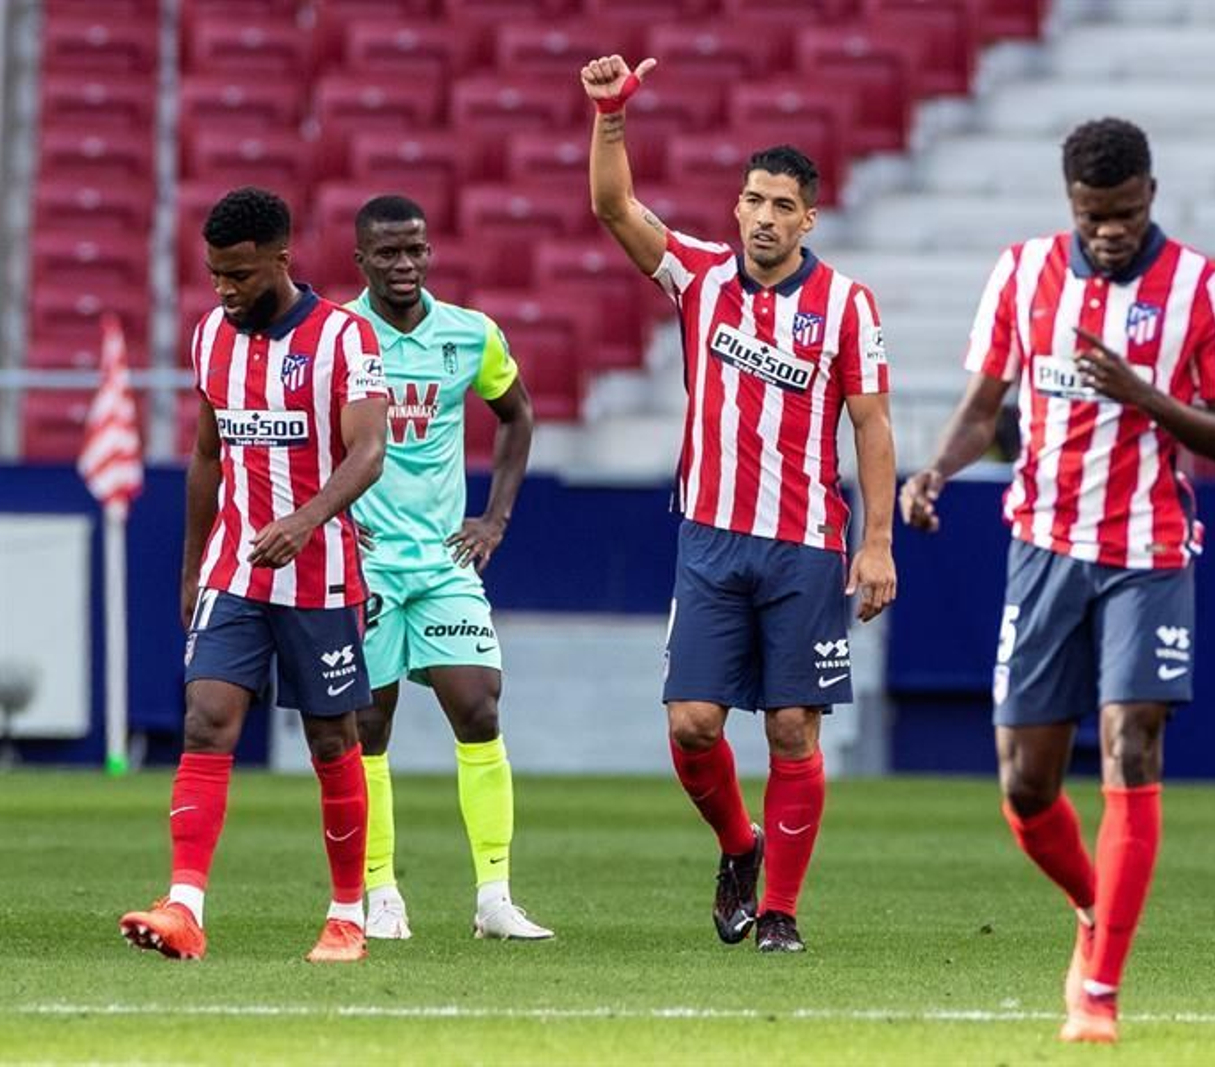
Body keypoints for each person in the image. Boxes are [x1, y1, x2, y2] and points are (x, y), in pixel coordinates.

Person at [900, 118, 1215, 1043]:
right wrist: (937, 470)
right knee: (1025, 783)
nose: (1108, 231)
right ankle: (1097, 908)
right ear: (1071, 203)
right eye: (1092, 216)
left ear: (1152, 192)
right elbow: (985, 407)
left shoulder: (1204, 289)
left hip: (1150, 548)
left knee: (1131, 744)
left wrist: (1142, 393)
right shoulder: (1022, 274)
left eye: (1125, 213)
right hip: (1044, 545)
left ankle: (1100, 989)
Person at [583, 55, 898, 953]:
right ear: (737, 208)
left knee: (792, 726)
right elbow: (614, 209)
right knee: (691, 727)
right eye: (751, 200)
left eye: (780, 205)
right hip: (711, 537)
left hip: (803, 543)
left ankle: (784, 912)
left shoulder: (844, 304)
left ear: (809, 217)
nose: (762, 218)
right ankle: (738, 846)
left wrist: (876, 544)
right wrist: (612, 116)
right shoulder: (699, 277)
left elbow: (872, 425)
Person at [119, 187, 389, 963]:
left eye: (238, 274)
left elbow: (369, 451)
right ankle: (184, 906)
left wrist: (305, 520)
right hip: (237, 566)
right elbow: (208, 453)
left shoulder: (343, 338)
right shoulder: (212, 336)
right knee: (206, 717)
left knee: (332, 739)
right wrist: (194, 564)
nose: (225, 290)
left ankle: (346, 915)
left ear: (281, 257)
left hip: (323, 576)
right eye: (214, 275)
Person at [343, 195, 551, 942]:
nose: (405, 266)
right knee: (368, 724)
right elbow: (301, 436)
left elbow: (519, 413)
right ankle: (382, 893)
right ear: (359, 259)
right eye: (389, 254)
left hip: (440, 561)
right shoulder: (338, 336)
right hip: (365, 566)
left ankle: (493, 895)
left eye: (416, 251)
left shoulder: (470, 334)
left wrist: (494, 517)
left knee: (480, 706)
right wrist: (330, 520)